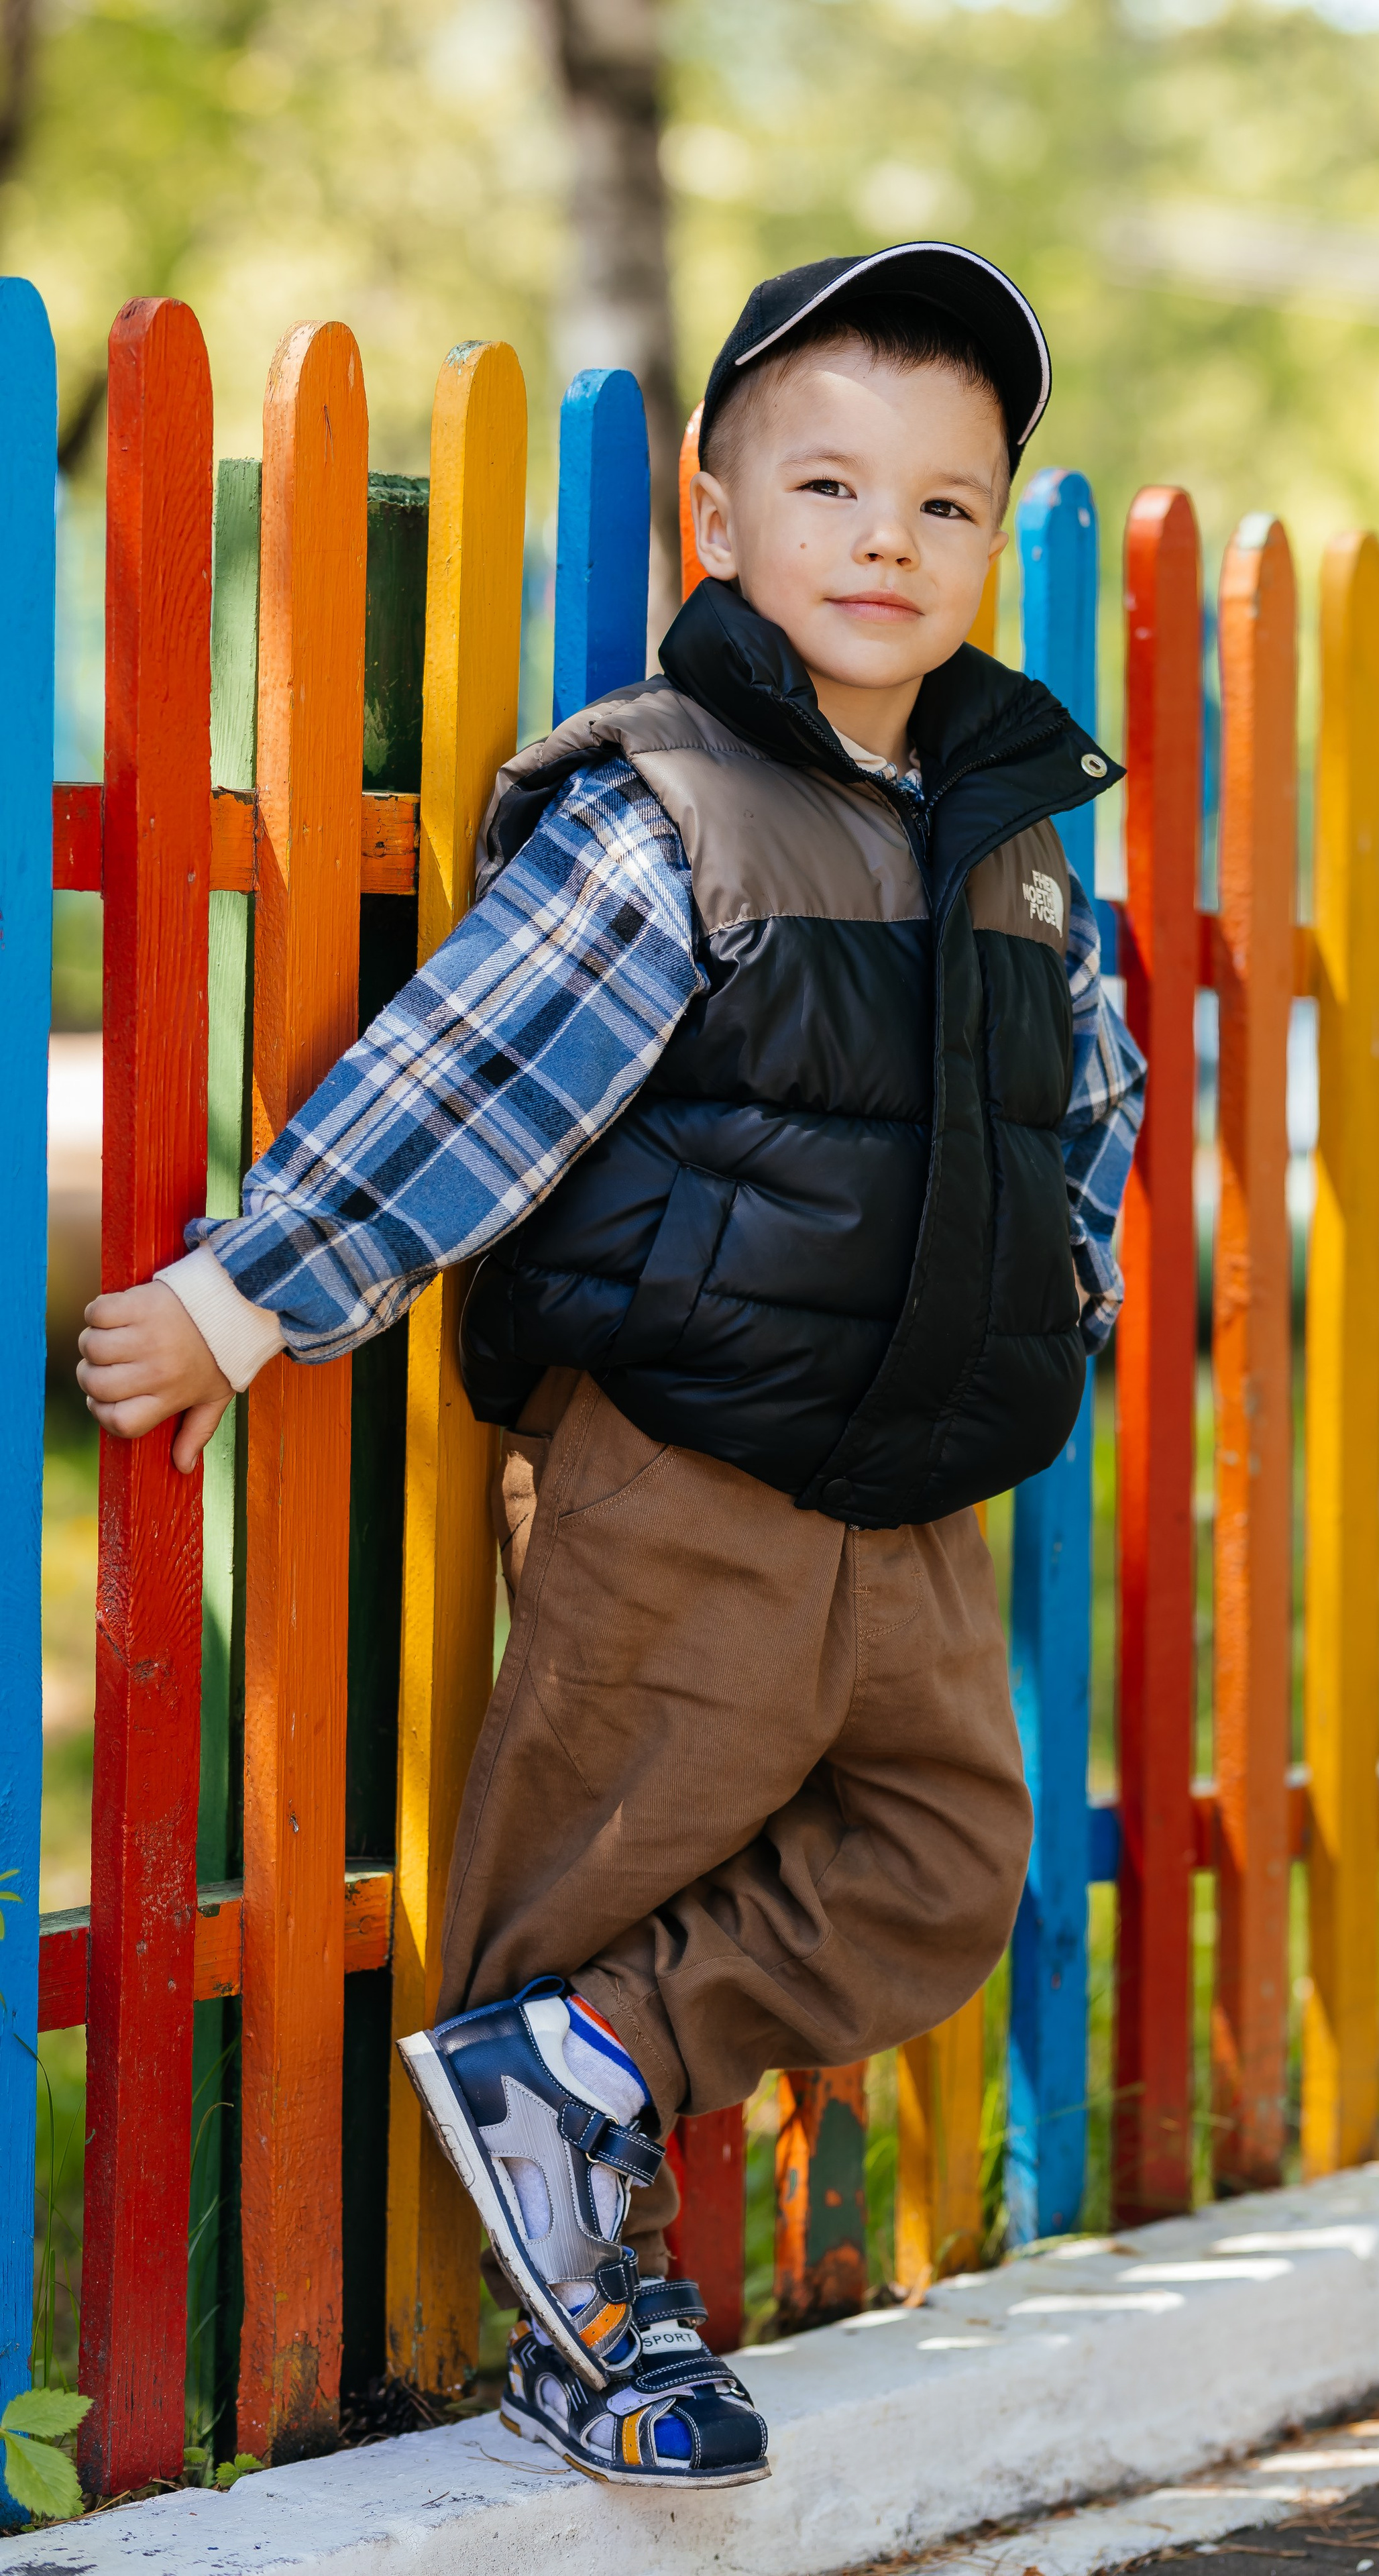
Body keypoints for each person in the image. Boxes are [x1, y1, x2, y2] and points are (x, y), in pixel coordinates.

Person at [77, 241, 1145, 2491]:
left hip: (924, 1484)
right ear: (717, 516)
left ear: (989, 542)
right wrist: (248, 1295)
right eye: (833, 484)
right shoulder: (672, 807)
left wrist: (1056, 1314)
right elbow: (472, 1080)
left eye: (946, 505)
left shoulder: (1029, 839)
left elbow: (1091, 1110)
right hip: (692, 1466)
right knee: (596, 1855)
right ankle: (563, 2299)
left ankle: (578, 2068)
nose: (887, 539)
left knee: (950, 1862)